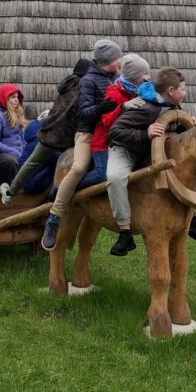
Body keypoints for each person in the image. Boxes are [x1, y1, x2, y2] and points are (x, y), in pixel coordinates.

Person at [107, 66, 196, 256]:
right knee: (115, 177)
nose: (185, 93)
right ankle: (125, 232)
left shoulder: (174, 106)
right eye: (183, 89)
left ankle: (192, 217)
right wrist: (145, 133)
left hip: (151, 151)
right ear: (171, 91)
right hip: (126, 149)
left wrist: (191, 127)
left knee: (190, 166)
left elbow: (175, 130)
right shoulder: (145, 107)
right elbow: (115, 132)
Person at [41, 40, 122, 251]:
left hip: (113, 133)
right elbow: (84, 113)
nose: (120, 62)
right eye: (117, 58)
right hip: (87, 134)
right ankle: (54, 217)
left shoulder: (117, 78)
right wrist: (102, 107)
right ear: (108, 60)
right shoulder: (88, 80)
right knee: (78, 168)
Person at [0, 58, 91, 203]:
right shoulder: (82, 88)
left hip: (50, 129)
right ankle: (55, 196)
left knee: (32, 162)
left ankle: (11, 192)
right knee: (67, 164)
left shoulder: (66, 85)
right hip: (63, 134)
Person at [79, 53, 151, 189]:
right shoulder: (115, 93)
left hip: (122, 141)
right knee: (102, 175)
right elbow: (106, 121)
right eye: (145, 74)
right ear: (135, 76)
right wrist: (123, 107)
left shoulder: (138, 92)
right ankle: (76, 186)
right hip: (103, 142)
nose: (149, 78)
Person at [0, 85, 27, 186]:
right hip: (2, 154)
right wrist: (13, 152)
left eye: (17, 97)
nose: (16, 100)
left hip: (19, 152)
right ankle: (8, 189)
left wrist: (26, 152)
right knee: (9, 161)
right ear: (5, 98)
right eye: (13, 97)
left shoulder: (17, 114)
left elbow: (23, 139)